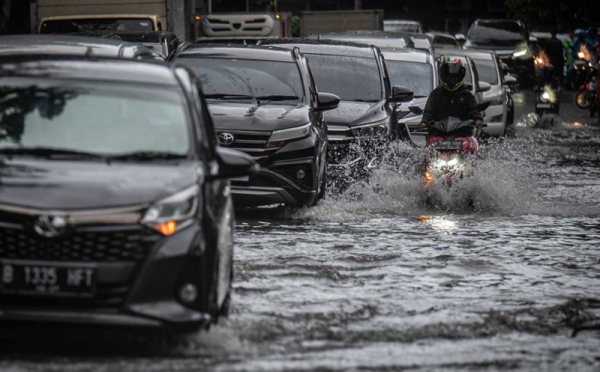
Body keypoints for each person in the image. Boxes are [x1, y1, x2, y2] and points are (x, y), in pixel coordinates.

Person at [418, 58, 483, 137]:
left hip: (462, 134)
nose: (452, 80)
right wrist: (424, 122)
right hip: (438, 134)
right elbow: (429, 111)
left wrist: (478, 119)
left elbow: (474, 110)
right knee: (429, 146)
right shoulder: (436, 94)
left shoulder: (467, 95)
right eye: (449, 76)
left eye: (455, 77)